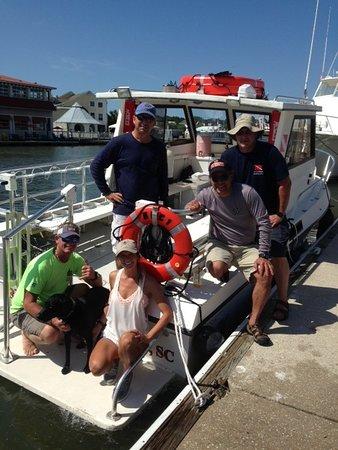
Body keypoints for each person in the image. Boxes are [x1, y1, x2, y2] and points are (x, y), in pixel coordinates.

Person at [185, 160, 274, 345]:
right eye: (215, 178)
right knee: (216, 268)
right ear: (210, 180)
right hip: (220, 242)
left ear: (231, 176)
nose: (220, 182)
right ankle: (224, 270)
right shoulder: (206, 194)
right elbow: (194, 208)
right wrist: (192, 207)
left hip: (247, 246)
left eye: (223, 177)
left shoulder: (247, 193)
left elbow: (264, 223)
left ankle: (253, 322)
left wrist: (263, 255)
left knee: (265, 275)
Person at [221, 114, 292, 322]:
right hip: (240, 217)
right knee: (226, 246)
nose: (244, 136)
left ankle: (282, 299)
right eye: (240, 132)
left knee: (277, 254)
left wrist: (279, 213)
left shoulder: (270, 153)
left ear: (255, 134)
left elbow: (284, 183)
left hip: (268, 216)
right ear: (235, 136)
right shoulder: (228, 157)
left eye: (248, 132)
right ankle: (234, 278)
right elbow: (220, 186)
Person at [89, 239, 172, 400]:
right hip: (112, 334)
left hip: (134, 338)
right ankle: (114, 360)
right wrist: (100, 324)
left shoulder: (148, 283)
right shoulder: (114, 276)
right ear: (118, 258)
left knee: (126, 340)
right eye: (122, 256)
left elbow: (167, 313)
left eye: (130, 255)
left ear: (137, 256)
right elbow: (110, 305)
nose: (126, 259)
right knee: (96, 368)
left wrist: (148, 337)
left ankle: (127, 371)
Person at [10, 222, 104, 357]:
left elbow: (98, 286)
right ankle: (27, 334)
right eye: (66, 238)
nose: (71, 243)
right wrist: (52, 320)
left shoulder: (75, 259)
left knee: (83, 288)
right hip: (23, 310)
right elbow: (28, 303)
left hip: (52, 300)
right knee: (51, 335)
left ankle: (71, 325)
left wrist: (94, 275)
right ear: (56, 239)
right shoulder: (42, 266)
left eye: (75, 239)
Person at [90, 102, 169, 251]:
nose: (144, 122)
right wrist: (107, 192)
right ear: (134, 119)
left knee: (148, 248)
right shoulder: (119, 143)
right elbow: (96, 166)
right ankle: (123, 275)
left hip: (149, 209)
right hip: (124, 208)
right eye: (141, 118)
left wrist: (164, 203)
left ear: (154, 123)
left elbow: (162, 177)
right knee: (122, 250)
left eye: (149, 119)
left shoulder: (159, 147)